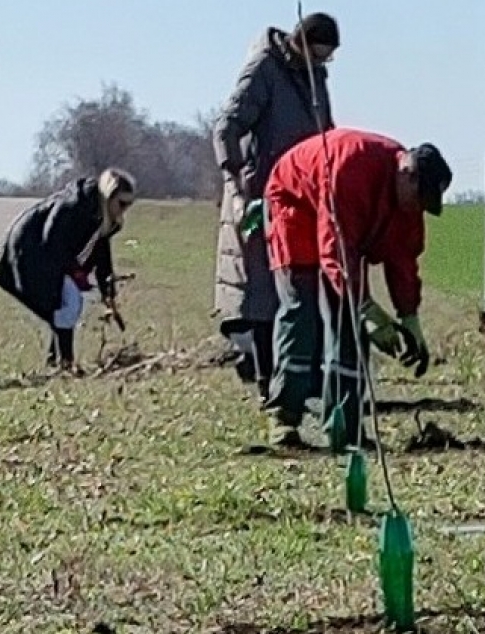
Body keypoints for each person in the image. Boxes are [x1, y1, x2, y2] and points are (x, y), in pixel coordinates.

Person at [260, 128, 452, 450]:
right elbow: (334, 249)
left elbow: (403, 259)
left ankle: (344, 426)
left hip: (343, 232)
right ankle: (284, 417)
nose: (418, 209)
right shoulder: (352, 169)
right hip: (294, 205)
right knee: (301, 312)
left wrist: (410, 319)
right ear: (408, 174)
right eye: (420, 199)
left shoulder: (409, 204)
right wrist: (366, 308)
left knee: (349, 326)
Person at [212, 12, 339, 403]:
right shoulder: (264, 69)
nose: (319, 64)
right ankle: (268, 379)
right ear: (298, 43)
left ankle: (304, 376)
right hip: (263, 195)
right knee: (264, 292)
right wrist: (235, 183)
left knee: (303, 288)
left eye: (326, 59)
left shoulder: (315, 77)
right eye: (316, 55)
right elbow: (227, 125)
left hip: (306, 195)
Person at [0, 168, 136, 374]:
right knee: (68, 304)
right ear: (109, 196)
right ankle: (65, 363)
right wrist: (75, 272)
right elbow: (51, 238)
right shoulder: (75, 205)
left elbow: (102, 256)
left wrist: (109, 295)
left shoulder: (104, 219)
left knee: (63, 309)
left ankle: (58, 361)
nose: (124, 209)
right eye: (122, 203)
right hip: (27, 250)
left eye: (129, 204)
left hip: (50, 257)